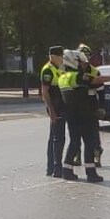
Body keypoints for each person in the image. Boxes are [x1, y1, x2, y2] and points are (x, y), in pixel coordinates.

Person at [58, 49, 105, 182]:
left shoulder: (65, 76)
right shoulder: (78, 76)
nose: (84, 62)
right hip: (85, 114)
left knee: (75, 142)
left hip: (73, 115)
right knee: (89, 143)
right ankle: (91, 173)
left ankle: (67, 170)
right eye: (80, 61)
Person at [77, 43, 109, 168]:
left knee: (93, 132)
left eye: (86, 56)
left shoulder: (95, 72)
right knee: (77, 132)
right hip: (78, 104)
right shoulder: (74, 72)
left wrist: (102, 107)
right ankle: (77, 155)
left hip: (91, 104)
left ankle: (96, 154)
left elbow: (101, 92)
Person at [40, 46, 66, 178]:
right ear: (54, 56)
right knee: (58, 138)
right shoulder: (48, 70)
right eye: (61, 56)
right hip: (55, 106)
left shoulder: (59, 68)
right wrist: (52, 111)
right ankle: (57, 168)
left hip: (60, 104)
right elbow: (45, 92)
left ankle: (51, 167)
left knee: (54, 137)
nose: (63, 59)